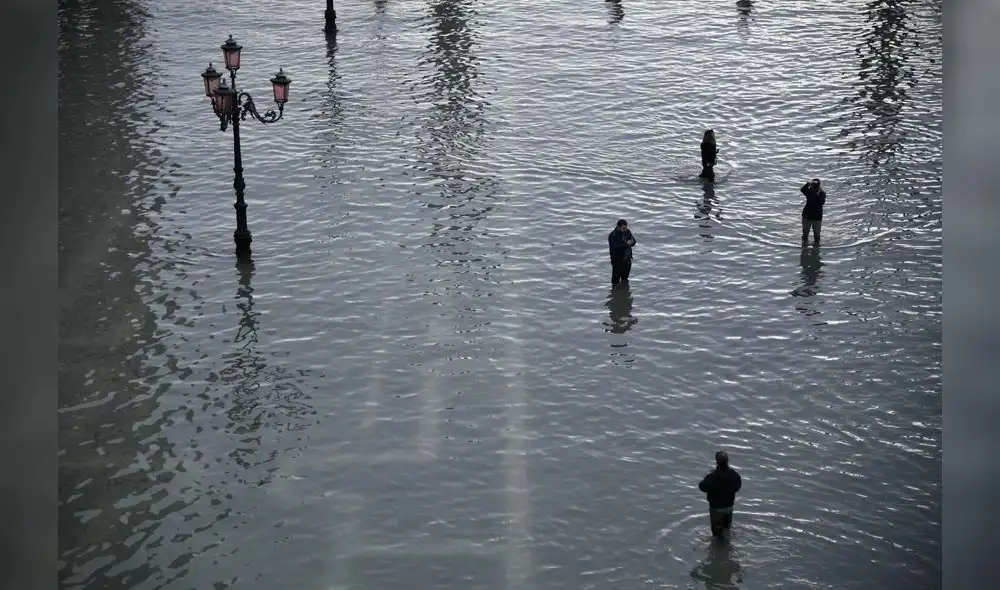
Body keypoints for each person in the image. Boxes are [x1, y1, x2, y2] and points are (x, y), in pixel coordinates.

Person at [698, 451, 743, 538]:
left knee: (717, 536)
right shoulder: (734, 475)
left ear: (716, 461)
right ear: (727, 461)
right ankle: (727, 547)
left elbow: (702, 487)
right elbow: (738, 487)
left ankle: (719, 549)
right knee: (727, 530)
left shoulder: (712, 477)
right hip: (729, 507)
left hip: (716, 509)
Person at [608, 219, 636, 285]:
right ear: (618, 227)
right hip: (617, 262)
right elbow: (616, 246)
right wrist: (627, 244)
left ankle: (624, 291)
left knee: (625, 279)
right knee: (615, 282)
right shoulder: (612, 235)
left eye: (626, 228)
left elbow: (634, 241)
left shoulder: (627, 232)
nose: (625, 229)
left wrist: (632, 242)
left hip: (627, 260)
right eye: (623, 228)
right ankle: (615, 294)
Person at [800, 178, 827, 244]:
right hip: (807, 216)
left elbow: (821, 202)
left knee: (817, 236)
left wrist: (817, 193)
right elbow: (802, 190)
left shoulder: (822, 193)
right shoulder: (809, 192)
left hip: (817, 218)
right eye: (813, 185)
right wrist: (808, 184)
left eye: (815, 185)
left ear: (819, 186)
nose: (814, 187)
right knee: (805, 235)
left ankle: (816, 249)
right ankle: (804, 248)